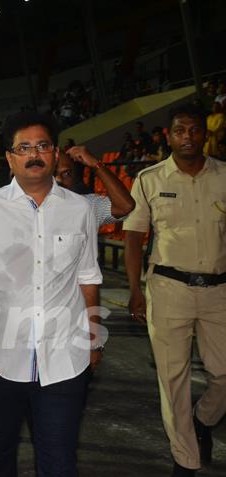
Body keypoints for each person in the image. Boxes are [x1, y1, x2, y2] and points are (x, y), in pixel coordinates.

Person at [0, 112, 103, 476]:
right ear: (10, 157)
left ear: (55, 152)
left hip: (64, 357)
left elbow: (88, 278)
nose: (34, 154)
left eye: (42, 146)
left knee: (60, 462)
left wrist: (94, 337)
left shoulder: (79, 209)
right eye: (24, 147)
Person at [124, 103, 226, 477]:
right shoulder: (150, 179)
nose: (188, 137)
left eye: (195, 130)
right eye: (180, 130)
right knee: (173, 380)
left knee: (224, 376)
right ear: (169, 135)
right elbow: (134, 238)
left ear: (205, 134)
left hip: (219, 290)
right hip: (168, 289)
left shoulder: (224, 176)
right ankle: (185, 461)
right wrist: (136, 290)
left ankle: (203, 419)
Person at [55, 145, 135, 226]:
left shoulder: (84, 206)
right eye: (52, 173)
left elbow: (124, 206)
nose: (58, 179)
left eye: (66, 173)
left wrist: (96, 165)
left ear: (74, 178)